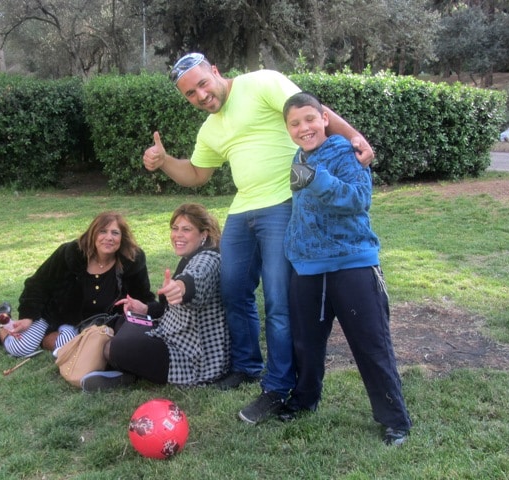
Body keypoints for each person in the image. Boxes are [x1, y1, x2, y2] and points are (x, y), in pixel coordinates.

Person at [143, 52, 375, 424]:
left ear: (216, 70)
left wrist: (355, 137)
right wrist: (164, 160)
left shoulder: (262, 82)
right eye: (190, 94)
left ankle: (277, 386)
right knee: (233, 290)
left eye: (203, 84)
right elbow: (198, 174)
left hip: (284, 203)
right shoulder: (210, 129)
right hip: (242, 210)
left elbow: (313, 111)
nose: (201, 95)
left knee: (279, 303)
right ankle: (247, 366)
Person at [280, 92, 412, 444]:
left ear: (324, 118)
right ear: (288, 130)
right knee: (306, 344)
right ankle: (305, 401)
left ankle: (394, 420)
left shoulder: (344, 150)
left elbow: (359, 199)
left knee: (371, 345)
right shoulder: (298, 155)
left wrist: (317, 180)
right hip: (308, 269)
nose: (303, 128)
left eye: (309, 119)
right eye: (294, 123)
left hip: (352, 264)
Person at [80, 203, 230, 392]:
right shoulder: (190, 256)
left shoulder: (208, 259)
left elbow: (194, 281)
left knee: (117, 347)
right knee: (121, 321)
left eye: (186, 229)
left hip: (193, 357)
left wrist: (180, 288)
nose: (178, 235)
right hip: (172, 333)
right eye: (175, 229)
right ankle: (128, 372)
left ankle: (126, 372)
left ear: (204, 234)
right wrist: (145, 309)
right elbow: (171, 310)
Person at [0, 211, 156, 358]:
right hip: (53, 312)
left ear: (122, 238)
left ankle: (42, 338)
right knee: (20, 348)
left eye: (115, 233)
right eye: (103, 231)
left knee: (67, 348)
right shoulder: (69, 253)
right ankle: (2, 321)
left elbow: (143, 297)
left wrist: (146, 311)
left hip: (81, 324)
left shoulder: (132, 261)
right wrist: (29, 316)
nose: (108, 237)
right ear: (93, 234)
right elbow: (37, 284)